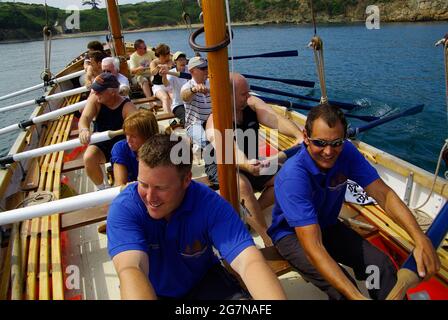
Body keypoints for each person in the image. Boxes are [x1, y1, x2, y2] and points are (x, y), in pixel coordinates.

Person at [267, 103, 441, 300]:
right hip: (292, 236)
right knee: (343, 289)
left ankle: (380, 295)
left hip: (327, 226)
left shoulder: (347, 153)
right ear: (306, 138)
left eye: (336, 143)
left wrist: (420, 239)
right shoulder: (293, 177)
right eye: (320, 143)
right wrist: (355, 296)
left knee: (379, 266)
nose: (328, 152)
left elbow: (384, 195)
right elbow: (313, 246)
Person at [107, 134, 287, 300]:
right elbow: (131, 268)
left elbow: (249, 262)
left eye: (160, 188)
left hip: (204, 282)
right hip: (152, 290)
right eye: (143, 184)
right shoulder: (125, 208)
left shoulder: (210, 205)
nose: (150, 197)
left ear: (186, 180)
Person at [205, 73, 303, 247]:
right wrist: (246, 165)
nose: (249, 96)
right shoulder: (215, 120)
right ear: (228, 96)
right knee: (242, 186)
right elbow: (229, 150)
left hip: (252, 160)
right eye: (244, 94)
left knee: (285, 177)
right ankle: (268, 238)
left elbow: (276, 120)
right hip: (224, 163)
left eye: (248, 92)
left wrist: (298, 136)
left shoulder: (252, 104)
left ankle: (251, 212)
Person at [79, 73, 137, 190]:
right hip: (101, 143)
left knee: (120, 182)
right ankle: (102, 189)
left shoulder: (128, 107)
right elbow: (84, 118)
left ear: (112, 92)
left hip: (122, 145)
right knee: (88, 157)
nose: (95, 93)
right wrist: (84, 129)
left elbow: (137, 130)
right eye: (95, 90)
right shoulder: (95, 100)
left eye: (99, 91)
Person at [111, 109, 159, 186]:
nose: (128, 140)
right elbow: (120, 185)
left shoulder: (162, 149)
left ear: (147, 135)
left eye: (133, 136)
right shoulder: (120, 148)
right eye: (127, 134)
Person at [180, 56, 211, 149]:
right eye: (203, 68)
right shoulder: (187, 86)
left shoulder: (212, 82)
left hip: (211, 121)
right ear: (192, 71)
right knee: (208, 146)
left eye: (207, 67)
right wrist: (194, 90)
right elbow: (184, 96)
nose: (206, 70)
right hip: (195, 125)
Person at [149, 44, 174, 113]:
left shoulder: (171, 61)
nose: (167, 56)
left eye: (168, 54)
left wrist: (167, 66)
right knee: (165, 98)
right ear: (159, 55)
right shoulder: (154, 62)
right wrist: (157, 67)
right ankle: (169, 119)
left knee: (174, 97)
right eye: (164, 55)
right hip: (158, 86)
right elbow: (153, 73)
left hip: (169, 85)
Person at [166, 51, 188, 126]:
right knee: (187, 120)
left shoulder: (190, 69)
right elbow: (167, 85)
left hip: (191, 102)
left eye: (184, 59)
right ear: (175, 62)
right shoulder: (171, 73)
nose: (183, 61)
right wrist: (163, 75)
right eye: (180, 60)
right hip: (179, 104)